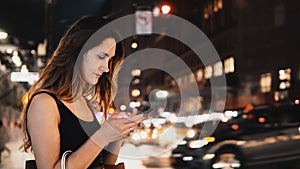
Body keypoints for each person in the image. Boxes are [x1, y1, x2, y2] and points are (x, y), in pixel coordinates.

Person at [20, 16, 147, 169]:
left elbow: (100, 165)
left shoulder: (83, 101)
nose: (106, 68)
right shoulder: (45, 103)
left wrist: (116, 136)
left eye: (109, 60)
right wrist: (102, 135)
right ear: (77, 51)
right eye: (101, 57)